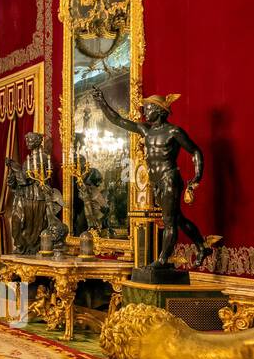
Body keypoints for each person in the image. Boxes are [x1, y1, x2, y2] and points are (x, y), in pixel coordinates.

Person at [92, 89, 218, 272]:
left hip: (169, 178)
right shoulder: (146, 130)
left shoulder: (174, 131)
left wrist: (196, 177)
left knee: (169, 221)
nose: (145, 111)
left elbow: (195, 151)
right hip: (156, 181)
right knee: (177, 218)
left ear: (159, 110)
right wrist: (102, 102)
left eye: (148, 107)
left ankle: (162, 260)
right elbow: (118, 120)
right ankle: (202, 246)